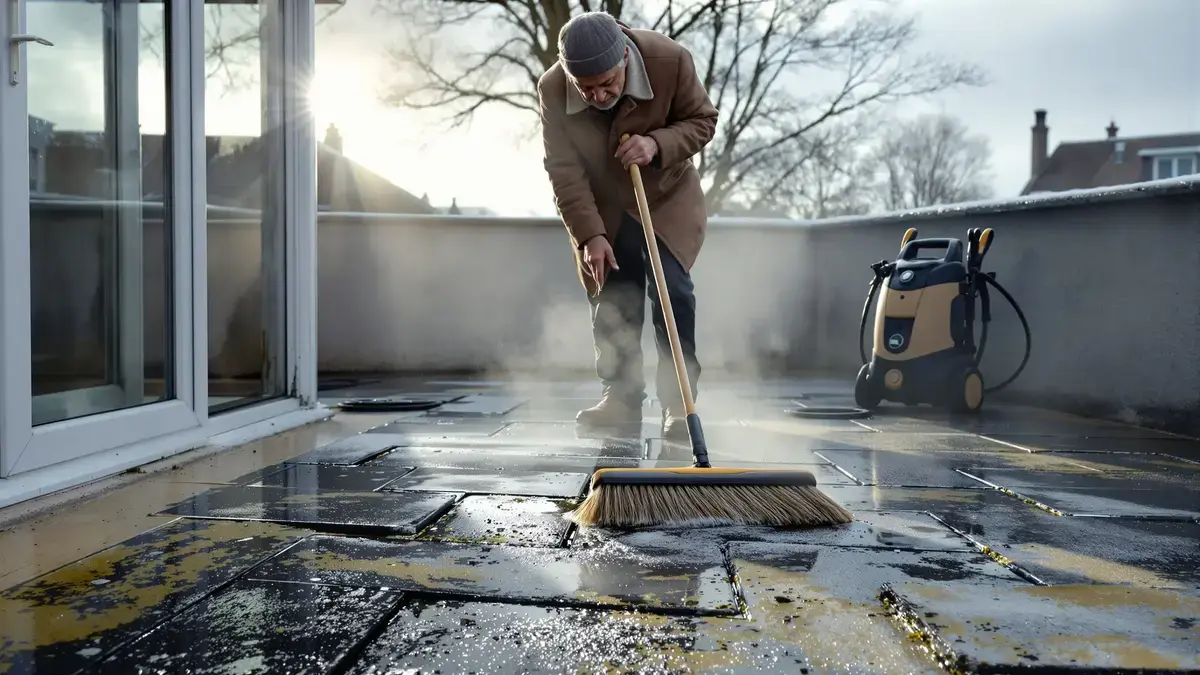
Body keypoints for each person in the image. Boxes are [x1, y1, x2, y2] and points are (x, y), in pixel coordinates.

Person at [537, 11, 718, 439]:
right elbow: (563, 169)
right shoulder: (552, 87)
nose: (598, 96)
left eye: (607, 83)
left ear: (624, 57)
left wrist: (656, 143)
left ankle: (680, 404)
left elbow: (703, 121)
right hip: (603, 207)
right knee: (614, 298)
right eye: (586, 89)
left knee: (673, 293)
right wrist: (590, 235)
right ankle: (620, 399)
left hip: (666, 198)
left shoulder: (670, 59)